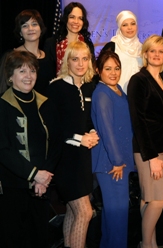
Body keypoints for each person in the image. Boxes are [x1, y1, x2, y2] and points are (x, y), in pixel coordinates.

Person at [0, 50, 60, 247]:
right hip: (13, 188)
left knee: (41, 238)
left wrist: (45, 176)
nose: (28, 76)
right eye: (22, 71)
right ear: (10, 76)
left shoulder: (46, 103)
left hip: (43, 187)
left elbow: (55, 143)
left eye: (32, 71)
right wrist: (34, 174)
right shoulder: (2, 105)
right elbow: (4, 150)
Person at [47, 40, 99, 248]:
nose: (80, 64)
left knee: (72, 210)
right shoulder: (56, 87)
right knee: (85, 211)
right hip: (64, 159)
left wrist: (93, 132)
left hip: (83, 159)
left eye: (84, 59)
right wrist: (80, 139)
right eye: (75, 59)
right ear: (67, 61)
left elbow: (86, 120)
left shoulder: (89, 86)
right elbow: (54, 127)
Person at [127, 35, 163, 248]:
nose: (157, 55)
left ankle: (151, 242)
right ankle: (146, 244)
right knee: (158, 199)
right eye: (152, 51)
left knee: (149, 199)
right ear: (145, 54)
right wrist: (152, 156)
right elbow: (138, 120)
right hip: (148, 149)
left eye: (160, 51)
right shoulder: (139, 80)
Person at [91, 50, 135, 248]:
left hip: (119, 162)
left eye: (116, 68)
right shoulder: (102, 94)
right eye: (107, 69)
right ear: (97, 70)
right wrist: (117, 161)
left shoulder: (117, 89)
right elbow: (107, 130)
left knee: (113, 218)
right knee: (117, 218)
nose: (113, 72)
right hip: (111, 164)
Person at [0, 9, 52, 96]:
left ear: (41, 28)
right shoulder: (11, 56)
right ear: (20, 32)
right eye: (25, 26)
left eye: (34, 24)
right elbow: (3, 90)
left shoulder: (49, 57)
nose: (30, 29)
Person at [44, 2, 94, 78]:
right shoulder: (51, 43)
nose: (76, 22)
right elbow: (46, 72)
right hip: (57, 87)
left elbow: (91, 72)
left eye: (80, 18)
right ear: (65, 18)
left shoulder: (88, 44)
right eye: (72, 17)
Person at [100, 10, 142, 93]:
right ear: (120, 27)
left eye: (133, 24)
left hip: (137, 95)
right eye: (125, 25)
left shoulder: (142, 48)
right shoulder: (112, 46)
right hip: (116, 93)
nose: (130, 27)